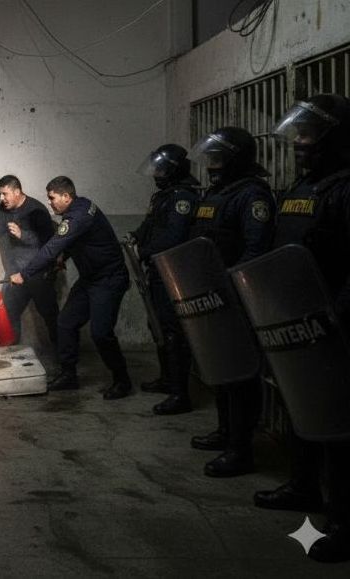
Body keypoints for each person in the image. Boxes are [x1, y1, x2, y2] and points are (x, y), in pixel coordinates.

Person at [252, 93, 350, 563]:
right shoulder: (300, 190)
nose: (301, 145)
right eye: (300, 136)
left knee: (339, 423)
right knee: (300, 408)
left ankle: (344, 519)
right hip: (294, 321)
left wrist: (338, 316)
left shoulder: (346, 189)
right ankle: (303, 485)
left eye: (310, 137)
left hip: (335, 324)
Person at [187, 126, 275, 477]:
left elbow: (255, 249)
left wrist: (233, 288)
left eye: (220, 157)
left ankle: (241, 449)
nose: (213, 164)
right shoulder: (219, 194)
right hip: (213, 295)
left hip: (236, 297)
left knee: (240, 376)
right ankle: (226, 433)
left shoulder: (252, 195)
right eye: (212, 157)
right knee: (222, 370)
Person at [11, 176, 132, 399]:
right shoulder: (81, 207)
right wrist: (62, 259)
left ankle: (122, 380)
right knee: (65, 323)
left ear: (66, 196)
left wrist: (25, 274)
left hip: (108, 280)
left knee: (101, 333)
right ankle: (69, 375)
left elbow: (52, 247)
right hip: (90, 279)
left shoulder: (77, 216)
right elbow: (75, 243)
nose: (50, 203)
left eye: (52, 198)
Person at [131, 144, 200, 415]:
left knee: (172, 332)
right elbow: (150, 224)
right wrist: (137, 235)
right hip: (158, 270)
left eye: (161, 169)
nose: (156, 174)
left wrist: (146, 251)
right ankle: (166, 379)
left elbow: (175, 235)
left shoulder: (183, 197)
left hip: (174, 272)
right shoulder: (163, 196)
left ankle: (179, 393)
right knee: (158, 326)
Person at [0, 175, 58, 346]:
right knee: (8, 315)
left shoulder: (36, 210)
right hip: (15, 273)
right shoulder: (3, 209)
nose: (1, 198)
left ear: (17, 192)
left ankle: (65, 360)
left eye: (4, 194)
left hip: (38, 274)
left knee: (51, 316)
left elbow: (49, 244)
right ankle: (13, 356)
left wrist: (23, 235)